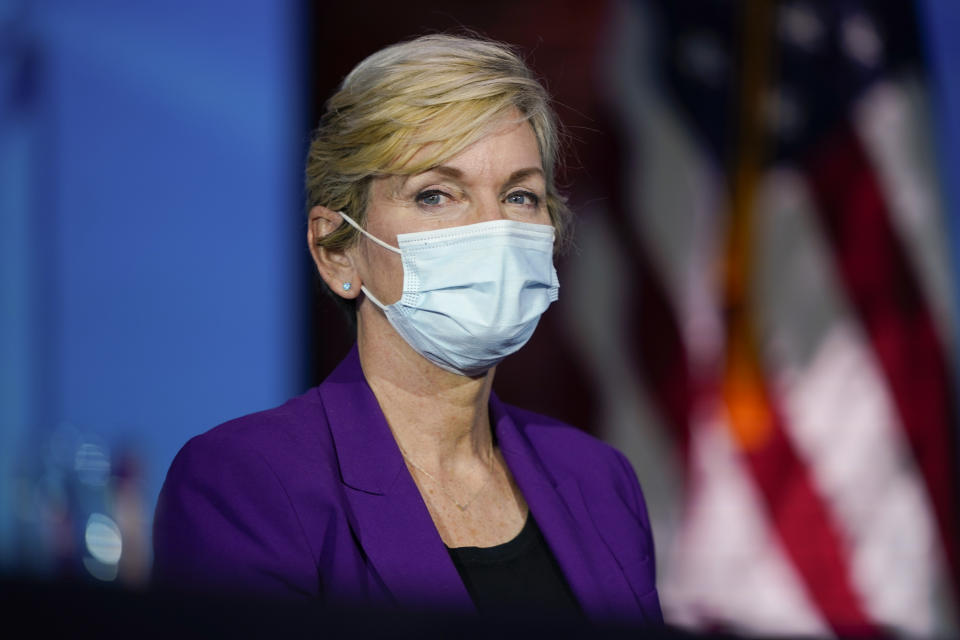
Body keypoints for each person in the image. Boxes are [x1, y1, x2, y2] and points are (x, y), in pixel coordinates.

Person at [152, 34, 662, 624]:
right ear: (336, 251)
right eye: (437, 195)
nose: (493, 231)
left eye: (520, 195)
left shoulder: (599, 481)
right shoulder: (247, 485)